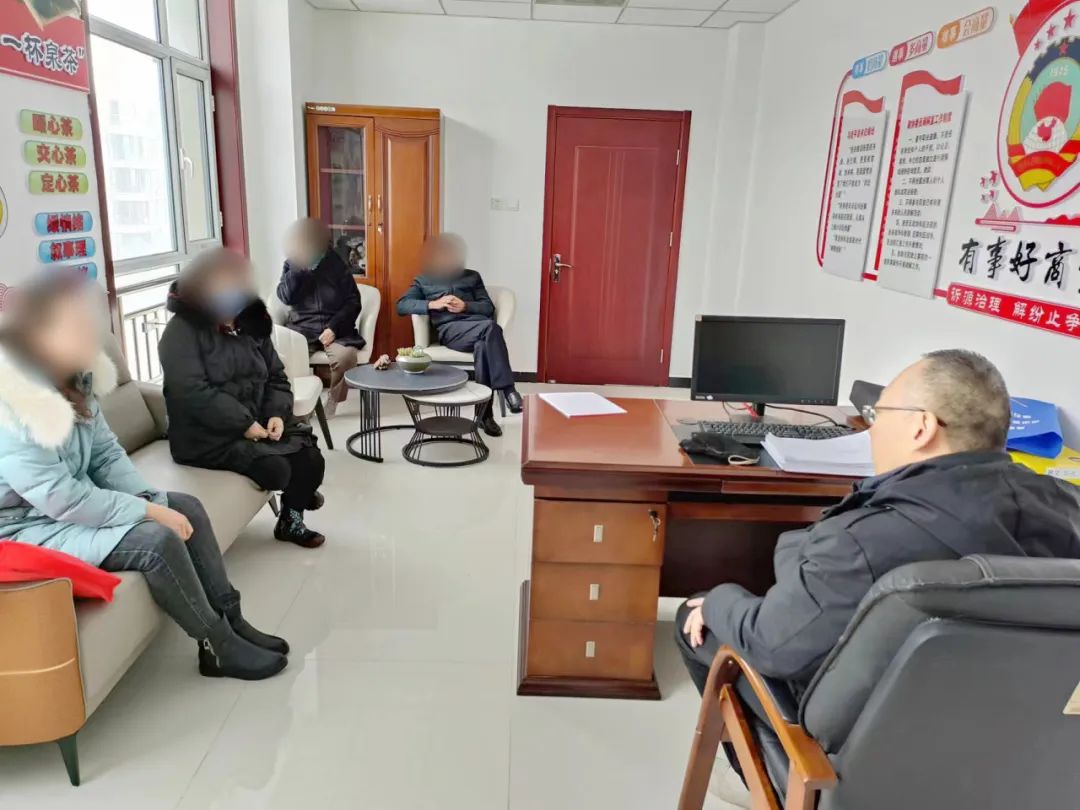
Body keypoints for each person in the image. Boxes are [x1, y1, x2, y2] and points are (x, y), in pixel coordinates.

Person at [675, 349, 1080, 802]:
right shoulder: (1067, 507)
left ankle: (764, 782)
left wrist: (719, 599)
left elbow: (774, 645)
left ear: (921, 427)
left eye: (878, 414)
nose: (871, 430)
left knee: (696, 616)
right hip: (1020, 755)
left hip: (866, 755)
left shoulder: (864, 539)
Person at [0, 272, 288, 681]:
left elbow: (105, 454)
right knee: (156, 541)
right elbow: (61, 497)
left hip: (61, 511)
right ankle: (216, 644)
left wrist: (150, 499)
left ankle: (232, 619)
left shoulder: (75, 380)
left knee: (187, 507)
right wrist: (148, 513)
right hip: (22, 530)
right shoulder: (13, 404)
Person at [159, 248, 327, 549]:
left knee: (311, 460)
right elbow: (191, 393)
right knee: (277, 470)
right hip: (205, 435)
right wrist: (243, 424)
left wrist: (276, 414)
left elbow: (276, 376)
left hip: (256, 420)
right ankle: (299, 491)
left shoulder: (252, 322)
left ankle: (291, 520)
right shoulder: (180, 333)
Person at [396, 234, 522, 438]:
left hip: (479, 328)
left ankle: (485, 416)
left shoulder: (472, 277)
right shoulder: (423, 280)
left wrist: (466, 306)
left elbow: (488, 307)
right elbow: (402, 305)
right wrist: (433, 304)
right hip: (451, 330)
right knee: (491, 328)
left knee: (483, 346)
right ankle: (509, 390)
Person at [277, 218, 365, 417]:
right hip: (302, 328)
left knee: (346, 357)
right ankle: (298, 405)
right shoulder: (291, 264)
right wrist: (298, 268)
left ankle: (333, 400)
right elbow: (285, 297)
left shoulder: (336, 262)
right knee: (284, 360)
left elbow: (353, 301)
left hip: (335, 328)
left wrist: (333, 327)